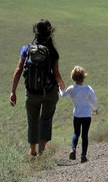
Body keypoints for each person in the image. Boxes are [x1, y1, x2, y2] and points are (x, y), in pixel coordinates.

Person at [10, 19, 65, 157]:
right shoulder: (52, 51)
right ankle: (41, 149)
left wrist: (13, 92)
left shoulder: (26, 49)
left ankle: (33, 150)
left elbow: (18, 70)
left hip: (32, 91)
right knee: (46, 119)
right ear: (50, 32)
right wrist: (61, 84)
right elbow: (56, 73)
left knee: (32, 120)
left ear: (35, 32)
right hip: (49, 91)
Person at [60, 65, 98, 163]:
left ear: (72, 77)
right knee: (85, 135)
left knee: (76, 133)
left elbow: (63, 95)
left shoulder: (72, 88)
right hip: (86, 115)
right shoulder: (88, 88)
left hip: (77, 115)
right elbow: (94, 99)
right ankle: (83, 156)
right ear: (83, 77)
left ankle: (73, 149)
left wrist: (60, 89)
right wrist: (95, 109)